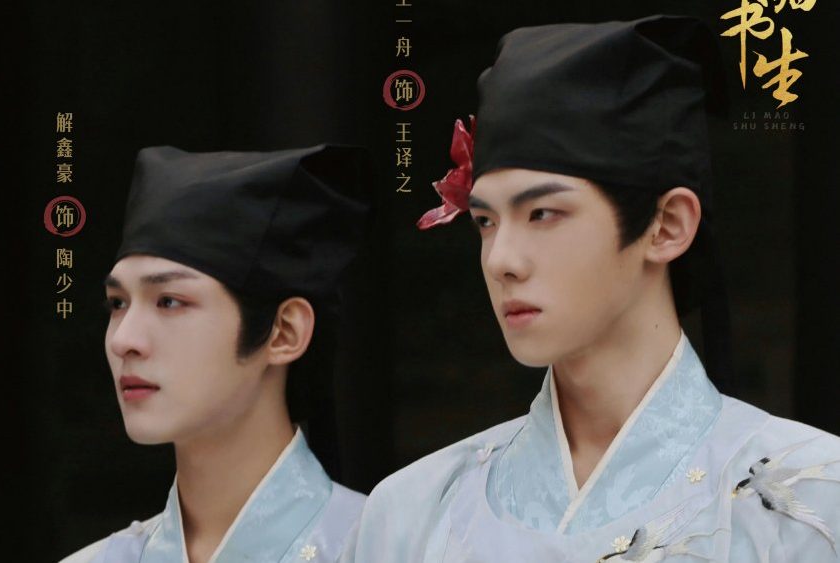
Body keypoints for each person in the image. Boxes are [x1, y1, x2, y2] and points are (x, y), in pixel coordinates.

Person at [348, 15, 840, 562]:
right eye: (485, 220)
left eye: (542, 213)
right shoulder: (412, 513)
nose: (501, 260)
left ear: (667, 225)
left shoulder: (812, 499)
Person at [62, 144, 373, 563]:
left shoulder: (393, 547)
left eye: (169, 301)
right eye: (118, 303)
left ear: (284, 332)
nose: (124, 340)